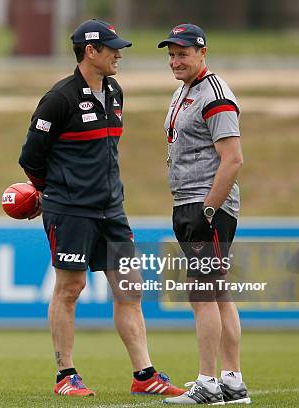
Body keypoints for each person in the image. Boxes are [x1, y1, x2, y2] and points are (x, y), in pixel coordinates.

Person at [19, 19, 185, 397]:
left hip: (112, 210)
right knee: (70, 287)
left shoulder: (115, 91)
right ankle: (66, 375)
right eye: (112, 48)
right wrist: (53, 193)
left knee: (130, 288)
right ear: (90, 52)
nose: (118, 54)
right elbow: (31, 157)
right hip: (70, 210)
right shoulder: (58, 99)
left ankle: (144, 376)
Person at [156, 24, 251, 405]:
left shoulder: (215, 94)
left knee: (202, 294)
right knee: (219, 294)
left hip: (206, 205)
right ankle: (232, 382)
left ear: (202, 53)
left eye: (183, 53)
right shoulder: (185, 91)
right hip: (189, 202)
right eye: (171, 54)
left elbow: (233, 159)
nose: (176, 61)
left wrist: (208, 209)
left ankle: (208, 382)